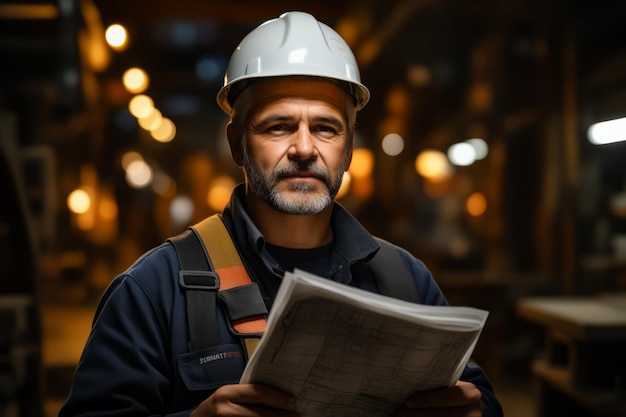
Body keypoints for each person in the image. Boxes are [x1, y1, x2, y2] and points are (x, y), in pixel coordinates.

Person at [59, 11, 503, 417]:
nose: (306, 149)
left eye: (326, 128)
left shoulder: (405, 280)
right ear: (237, 144)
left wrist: (474, 410)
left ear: (348, 148)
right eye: (278, 126)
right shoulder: (155, 290)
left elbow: (480, 399)